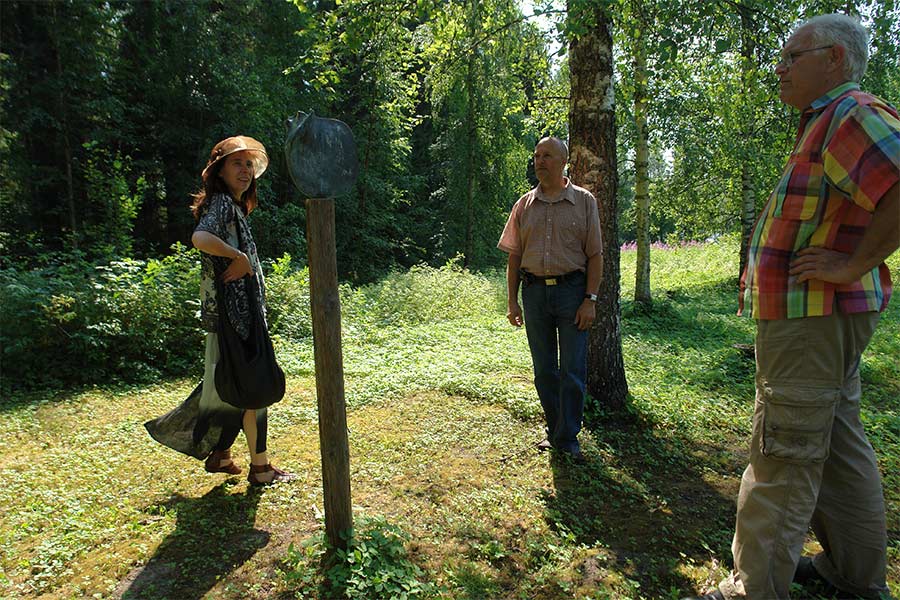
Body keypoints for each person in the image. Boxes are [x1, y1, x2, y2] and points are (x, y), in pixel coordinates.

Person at [684, 14, 899, 600]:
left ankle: (754, 590)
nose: (778, 69)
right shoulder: (825, 121)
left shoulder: (850, 114)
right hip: (820, 318)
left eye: (791, 57)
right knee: (838, 447)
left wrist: (851, 264)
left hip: (812, 319)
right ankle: (854, 576)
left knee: (783, 451)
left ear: (834, 58)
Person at [146, 135, 295, 486]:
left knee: (230, 385)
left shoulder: (231, 205)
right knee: (254, 386)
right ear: (220, 171)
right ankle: (261, 468)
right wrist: (237, 257)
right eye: (236, 163)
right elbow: (200, 238)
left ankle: (221, 454)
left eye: (249, 164)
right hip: (236, 317)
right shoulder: (223, 204)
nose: (245, 170)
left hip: (234, 314)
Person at [498, 136, 604, 463]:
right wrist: (512, 301)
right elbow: (514, 257)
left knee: (572, 368)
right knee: (544, 369)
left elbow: (596, 255)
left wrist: (590, 299)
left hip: (573, 293)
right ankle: (554, 428)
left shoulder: (584, 202)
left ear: (563, 162)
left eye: (546, 156)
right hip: (534, 294)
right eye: (536, 156)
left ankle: (567, 437)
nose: (539, 161)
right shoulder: (524, 205)